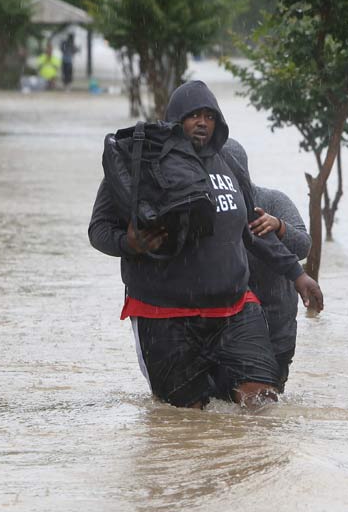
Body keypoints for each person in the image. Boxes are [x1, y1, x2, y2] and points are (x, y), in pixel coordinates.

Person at [88, 80, 324, 410]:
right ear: (175, 119)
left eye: (210, 116)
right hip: (165, 315)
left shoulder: (229, 164)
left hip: (234, 309)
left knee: (264, 405)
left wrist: (297, 275)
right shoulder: (140, 163)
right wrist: (128, 243)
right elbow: (98, 230)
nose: (202, 122)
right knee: (186, 421)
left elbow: (251, 231)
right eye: (194, 115)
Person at [222, 138, 310, 392]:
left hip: (278, 319)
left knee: (270, 396)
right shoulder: (214, 209)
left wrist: (279, 226)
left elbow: (304, 245)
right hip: (235, 323)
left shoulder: (272, 200)